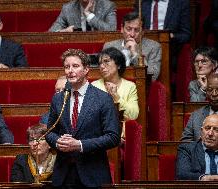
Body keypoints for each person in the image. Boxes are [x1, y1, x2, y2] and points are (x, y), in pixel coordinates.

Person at [45, 49, 120, 188]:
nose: (70, 71)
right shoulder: (58, 99)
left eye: (75, 66)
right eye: (67, 67)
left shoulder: (103, 98)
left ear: (86, 69)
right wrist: (58, 141)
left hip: (93, 174)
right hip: (63, 175)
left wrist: (79, 145)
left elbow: (113, 137)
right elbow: (49, 132)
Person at [103, 11, 162, 81]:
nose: (132, 34)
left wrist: (135, 53)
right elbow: (103, 72)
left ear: (143, 32)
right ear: (122, 28)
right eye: (128, 29)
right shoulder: (109, 46)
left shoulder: (154, 47)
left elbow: (153, 77)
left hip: (140, 87)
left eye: (136, 30)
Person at [92, 47, 139, 120]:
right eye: (100, 63)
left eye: (106, 61)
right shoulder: (94, 86)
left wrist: (116, 97)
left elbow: (133, 115)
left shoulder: (130, 86)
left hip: (121, 128)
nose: (101, 66)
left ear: (119, 65)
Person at [176, 114, 218, 180]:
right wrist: (205, 178)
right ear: (201, 132)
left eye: (216, 130)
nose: (210, 133)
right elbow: (182, 174)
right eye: (207, 128)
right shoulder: (187, 149)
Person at [181, 73, 218, 141]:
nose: (214, 94)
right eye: (210, 90)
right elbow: (185, 144)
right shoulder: (196, 115)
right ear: (206, 92)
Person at [49, 0, 117, 32]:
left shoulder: (108, 6)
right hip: (76, 51)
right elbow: (52, 32)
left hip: (101, 50)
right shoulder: (68, 8)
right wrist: (64, 31)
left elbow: (112, 30)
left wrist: (89, 15)